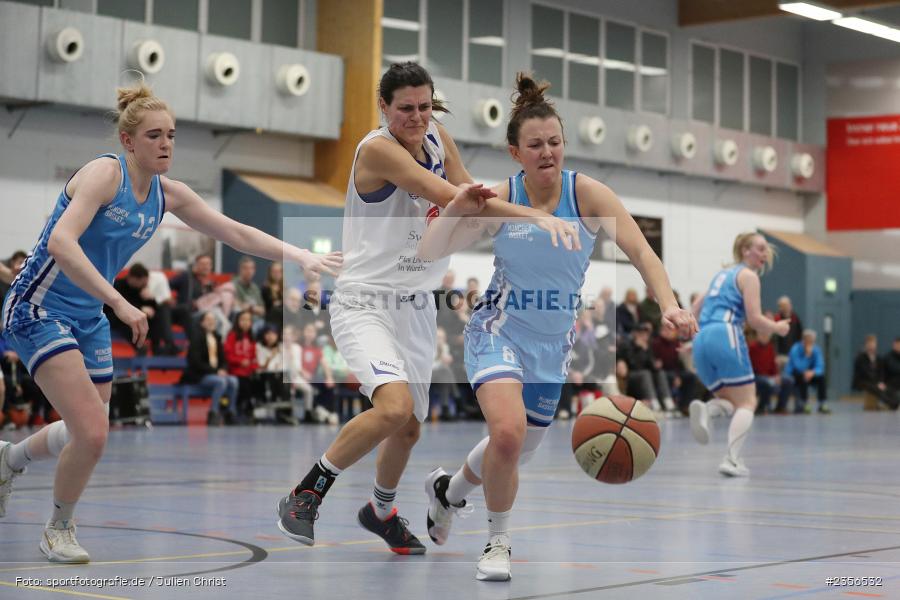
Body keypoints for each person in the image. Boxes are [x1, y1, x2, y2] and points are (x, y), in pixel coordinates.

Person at [0, 80, 341, 564]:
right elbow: (61, 242)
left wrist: (300, 254)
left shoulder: (167, 194)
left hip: (88, 314)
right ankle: (58, 529)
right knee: (93, 432)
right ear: (128, 141)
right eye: (154, 135)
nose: (166, 144)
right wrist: (119, 302)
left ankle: (9, 459)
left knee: (87, 430)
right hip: (39, 305)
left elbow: (237, 233)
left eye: (172, 135)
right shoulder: (104, 174)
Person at [276, 62, 578, 554]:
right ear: (383, 107)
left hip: (416, 305)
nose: (416, 117)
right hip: (366, 300)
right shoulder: (377, 149)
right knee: (393, 408)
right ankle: (306, 493)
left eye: (424, 106)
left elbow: (470, 191)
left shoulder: (436, 135)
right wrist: (533, 214)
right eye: (405, 109)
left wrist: (507, 217)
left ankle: (380, 512)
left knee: (409, 427)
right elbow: (452, 195)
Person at [415, 73, 696, 581]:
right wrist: (456, 206)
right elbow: (433, 249)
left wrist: (670, 305)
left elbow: (642, 253)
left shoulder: (587, 194)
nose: (547, 152)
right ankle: (498, 542)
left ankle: (448, 492)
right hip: (498, 330)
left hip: (552, 345)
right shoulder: (501, 197)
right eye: (535, 145)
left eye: (554, 142)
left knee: (515, 448)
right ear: (515, 153)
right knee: (507, 433)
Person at [689, 233, 790, 478]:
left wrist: (690, 340)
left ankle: (708, 410)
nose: (765, 254)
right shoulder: (749, 276)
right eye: (760, 248)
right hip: (726, 334)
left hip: (701, 338)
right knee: (748, 402)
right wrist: (777, 327)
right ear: (745, 250)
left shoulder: (720, 275)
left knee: (729, 399)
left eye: (766, 250)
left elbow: (694, 309)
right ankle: (732, 459)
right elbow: (754, 319)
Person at [182, 310, 240, 425]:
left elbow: (223, 359)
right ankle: (213, 412)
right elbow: (195, 362)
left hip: (216, 374)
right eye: (208, 320)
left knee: (234, 381)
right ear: (201, 323)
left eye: (213, 320)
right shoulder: (196, 338)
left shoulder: (217, 338)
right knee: (221, 382)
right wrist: (215, 371)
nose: (211, 322)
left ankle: (230, 411)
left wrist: (223, 369)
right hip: (200, 375)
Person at [784, 329, 829, 414]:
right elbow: (798, 366)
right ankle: (805, 403)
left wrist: (813, 372)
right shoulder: (795, 348)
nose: (810, 343)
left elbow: (820, 365)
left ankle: (822, 403)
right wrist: (807, 355)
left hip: (810, 374)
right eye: (808, 340)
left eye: (812, 341)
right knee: (803, 377)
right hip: (795, 373)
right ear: (803, 340)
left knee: (821, 378)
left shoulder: (816, 349)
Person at [852, 334, 897, 410]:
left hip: (874, 381)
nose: (871, 346)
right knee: (876, 389)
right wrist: (877, 383)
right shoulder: (860, 357)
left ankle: (896, 401)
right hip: (862, 381)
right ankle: (892, 404)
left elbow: (881, 372)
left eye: (873, 344)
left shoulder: (878, 358)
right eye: (869, 344)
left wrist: (881, 382)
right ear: (866, 345)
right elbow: (865, 373)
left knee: (887, 387)